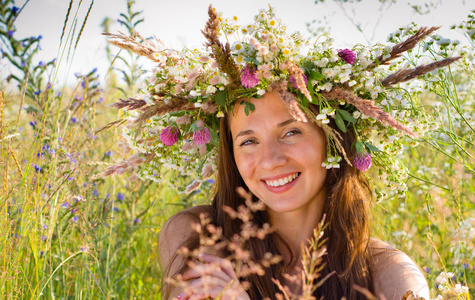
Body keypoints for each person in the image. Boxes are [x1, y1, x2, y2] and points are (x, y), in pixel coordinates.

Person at [104, 5, 459, 300]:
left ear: (333, 138)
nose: (270, 159)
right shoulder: (197, 236)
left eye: (290, 131)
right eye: (248, 140)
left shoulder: (388, 274)